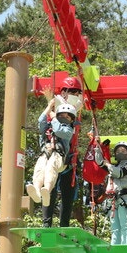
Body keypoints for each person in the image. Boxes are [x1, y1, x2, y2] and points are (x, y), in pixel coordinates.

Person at [27, 76, 84, 227]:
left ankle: (63, 226)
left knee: (66, 193)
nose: (76, 95)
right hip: (50, 152)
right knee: (43, 175)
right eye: (73, 92)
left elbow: (77, 105)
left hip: (66, 159)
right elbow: (42, 122)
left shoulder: (72, 112)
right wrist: (50, 105)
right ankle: (46, 223)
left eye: (77, 92)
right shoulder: (57, 107)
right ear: (64, 92)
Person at [102, 141, 127, 245]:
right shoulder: (112, 167)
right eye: (118, 150)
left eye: (123, 150)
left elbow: (119, 173)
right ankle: (114, 247)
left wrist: (107, 164)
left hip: (123, 198)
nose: (120, 152)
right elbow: (100, 162)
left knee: (125, 225)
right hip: (112, 199)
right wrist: (99, 148)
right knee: (114, 227)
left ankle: (126, 246)